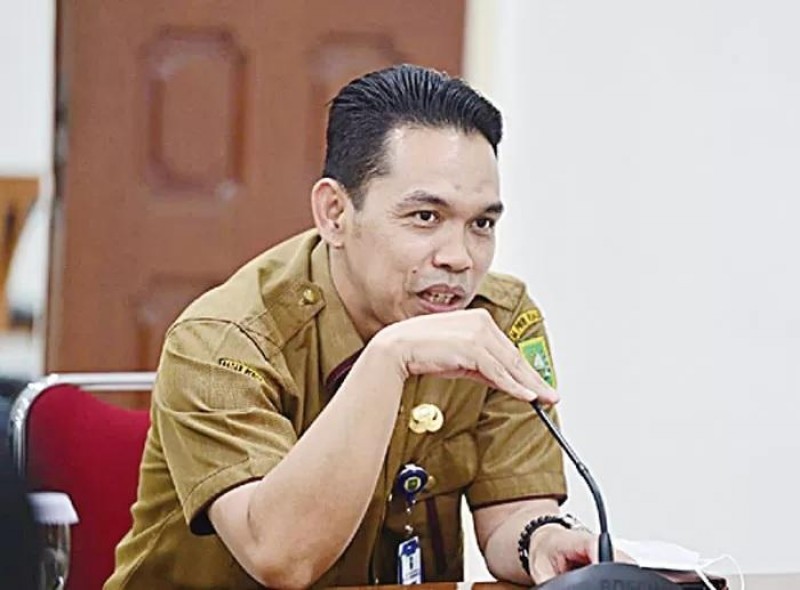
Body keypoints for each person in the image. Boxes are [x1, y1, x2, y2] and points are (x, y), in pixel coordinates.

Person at [105, 64, 599, 589]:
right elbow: (281, 558)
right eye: (426, 217)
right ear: (335, 213)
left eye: (482, 223)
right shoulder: (222, 339)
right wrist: (389, 358)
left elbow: (510, 513)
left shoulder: (497, 318)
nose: (460, 257)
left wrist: (543, 540)